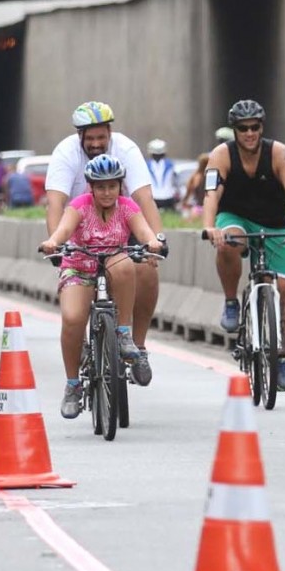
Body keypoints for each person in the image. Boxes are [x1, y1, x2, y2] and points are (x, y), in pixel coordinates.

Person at [45, 101, 165, 387]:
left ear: (110, 133)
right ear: (80, 136)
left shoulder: (126, 151)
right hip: (78, 232)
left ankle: (136, 346)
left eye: (102, 137)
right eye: (90, 138)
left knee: (146, 270)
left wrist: (157, 241)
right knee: (74, 314)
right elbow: (55, 204)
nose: (97, 143)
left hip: (120, 229)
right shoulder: (65, 154)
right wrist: (56, 246)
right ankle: (77, 369)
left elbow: (145, 199)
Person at [202, 99, 285, 393]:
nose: (249, 133)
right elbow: (211, 194)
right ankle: (231, 302)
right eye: (243, 128)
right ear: (234, 130)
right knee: (229, 242)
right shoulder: (221, 155)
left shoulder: (279, 153)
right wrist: (210, 226)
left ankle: (282, 355)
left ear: (262, 127)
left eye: (254, 127)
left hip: (273, 224)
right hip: (234, 217)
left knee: (283, 288)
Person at [145, 138, 179, 211]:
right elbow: (174, 181)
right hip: (168, 197)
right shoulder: (170, 164)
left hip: (153, 197)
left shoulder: (146, 165)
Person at [182, 153, 210, 217]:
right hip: (207, 207)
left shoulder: (195, 176)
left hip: (197, 207)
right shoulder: (210, 176)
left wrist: (184, 201)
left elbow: (188, 192)